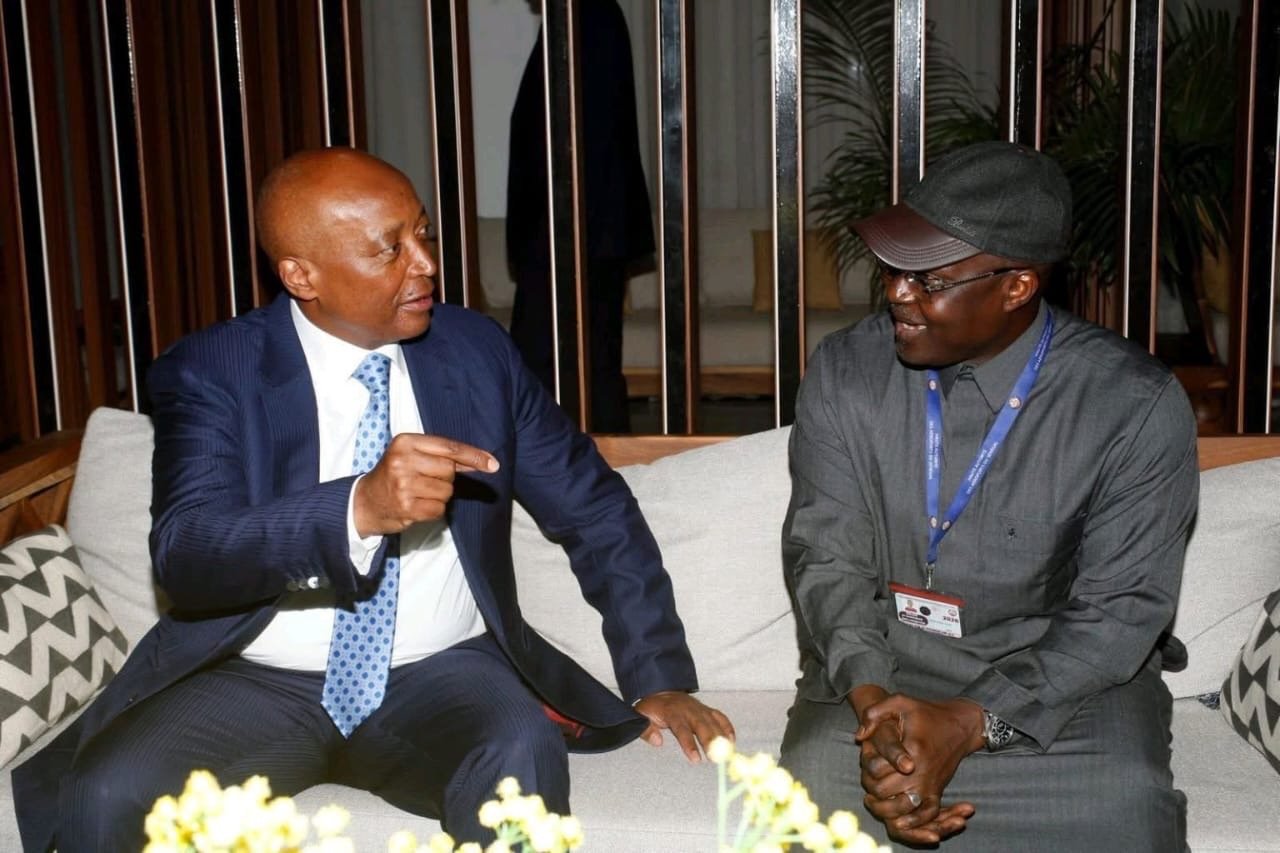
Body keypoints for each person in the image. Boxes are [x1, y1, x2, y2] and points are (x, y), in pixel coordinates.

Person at [12, 147, 732, 851]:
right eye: (390, 249)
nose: (425, 264)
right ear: (302, 275)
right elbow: (187, 552)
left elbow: (593, 508)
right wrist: (358, 508)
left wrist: (658, 675)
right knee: (106, 791)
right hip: (255, 678)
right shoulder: (213, 369)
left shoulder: (475, 352)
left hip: (442, 673)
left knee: (521, 754)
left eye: (423, 234)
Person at [777, 141, 1198, 851]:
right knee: (808, 793)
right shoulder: (846, 372)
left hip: (1060, 685)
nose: (897, 294)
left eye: (928, 279)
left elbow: (1120, 611)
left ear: (1017, 286)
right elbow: (827, 557)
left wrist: (969, 722)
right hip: (886, 666)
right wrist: (876, 710)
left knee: (1125, 808)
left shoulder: (1131, 404)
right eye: (893, 270)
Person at [506, 0, 654, 433]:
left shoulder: (588, 14)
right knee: (570, 361)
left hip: (575, 232)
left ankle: (596, 457)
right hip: (570, 230)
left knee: (571, 362)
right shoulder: (576, 15)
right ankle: (587, 454)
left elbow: (595, 133)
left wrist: (571, 235)